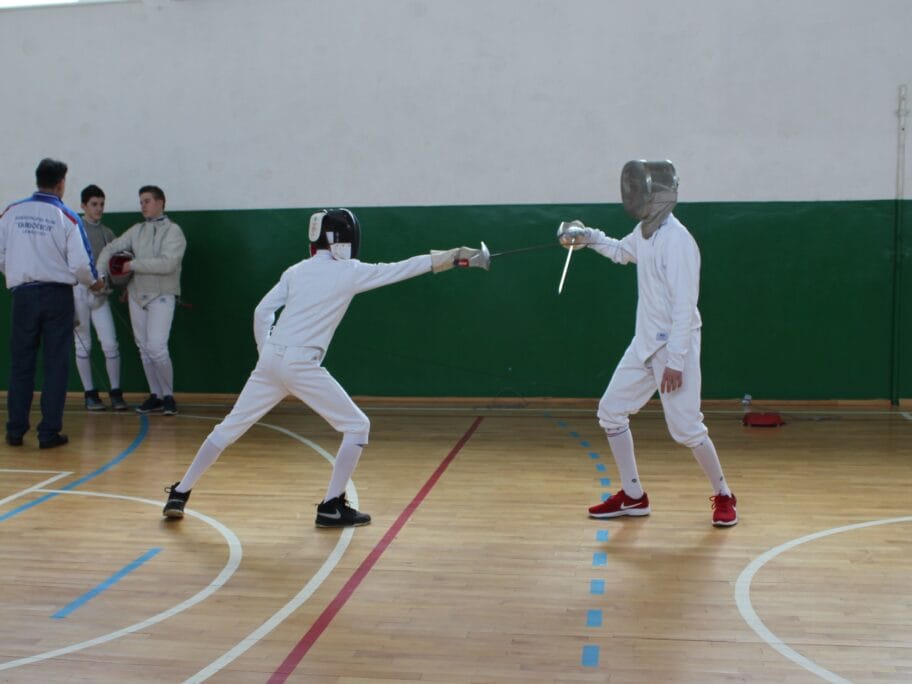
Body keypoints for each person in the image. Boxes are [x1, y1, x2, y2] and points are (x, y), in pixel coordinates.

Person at [162, 208, 488, 526]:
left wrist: (266, 352)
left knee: (228, 428)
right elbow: (402, 268)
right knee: (357, 427)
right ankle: (332, 506)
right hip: (300, 364)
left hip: (271, 360)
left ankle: (180, 492)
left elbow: (262, 312)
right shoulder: (349, 271)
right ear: (345, 240)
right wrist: (456, 257)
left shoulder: (296, 271)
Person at [557, 160, 737, 527]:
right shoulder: (644, 233)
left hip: (675, 347)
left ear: (659, 195)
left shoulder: (678, 241)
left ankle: (724, 494)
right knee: (610, 411)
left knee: (686, 429)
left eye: (640, 190)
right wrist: (586, 236)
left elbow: (685, 307)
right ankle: (634, 496)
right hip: (644, 345)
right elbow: (619, 251)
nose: (634, 196)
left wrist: (676, 360)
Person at [0, 158, 106, 448]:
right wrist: (95, 283)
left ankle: (15, 430)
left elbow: (1, 254)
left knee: (21, 364)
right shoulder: (66, 217)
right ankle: (48, 433)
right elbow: (81, 265)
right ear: (61, 184)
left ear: (38, 180)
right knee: (56, 365)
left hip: (23, 295)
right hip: (57, 297)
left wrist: (17, 274)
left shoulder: (11, 212)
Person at [96, 186, 186, 416]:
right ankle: (156, 396)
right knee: (144, 348)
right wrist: (100, 274)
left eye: (147, 201)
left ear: (160, 202)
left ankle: (169, 396)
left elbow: (168, 264)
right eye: (141, 202)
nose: (143, 205)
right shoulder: (137, 230)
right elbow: (111, 248)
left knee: (157, 347)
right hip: (137, 295)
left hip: (162, 295)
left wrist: (132, 265)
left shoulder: (173, 231)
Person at [73, 185, 128, 411]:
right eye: (94, 204)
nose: (99, 209)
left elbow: (117, 265)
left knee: (110, 344)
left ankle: (115, 392)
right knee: (83, 344)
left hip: (101, 294)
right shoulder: (73, 230)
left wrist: (121, 284)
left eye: (102, 204)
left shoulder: (108, 233)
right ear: (83, 206)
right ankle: (90, 393)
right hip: (78, 293)